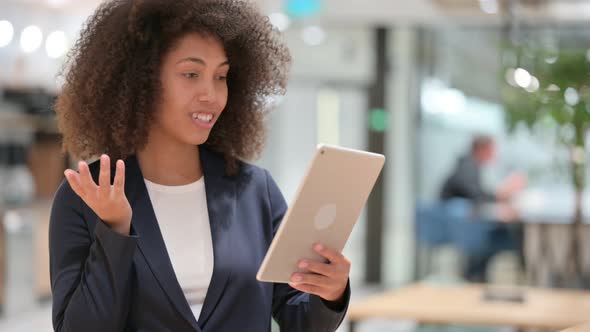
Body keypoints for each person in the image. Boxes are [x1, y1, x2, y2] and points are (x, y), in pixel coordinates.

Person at [49, 1, 350, 331]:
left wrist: (330, 292)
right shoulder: (86, 195)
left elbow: (300, 318)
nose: (211, 94)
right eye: (191, 74)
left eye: (220, 76)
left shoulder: (254, 190)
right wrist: (115, 230)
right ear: (140, 80)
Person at [440, 135, 526, 282]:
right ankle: (475, 275)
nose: (495, 155)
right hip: (464, 229)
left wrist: (499, 195)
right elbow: (476, 197)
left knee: (507, 233)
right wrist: (502, 193)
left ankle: (475, 275)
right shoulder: (468, 167)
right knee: (511, 235)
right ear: (482, 150)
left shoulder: (468, 165)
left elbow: (478, 196)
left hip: (465, 226)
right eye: (492, 150)